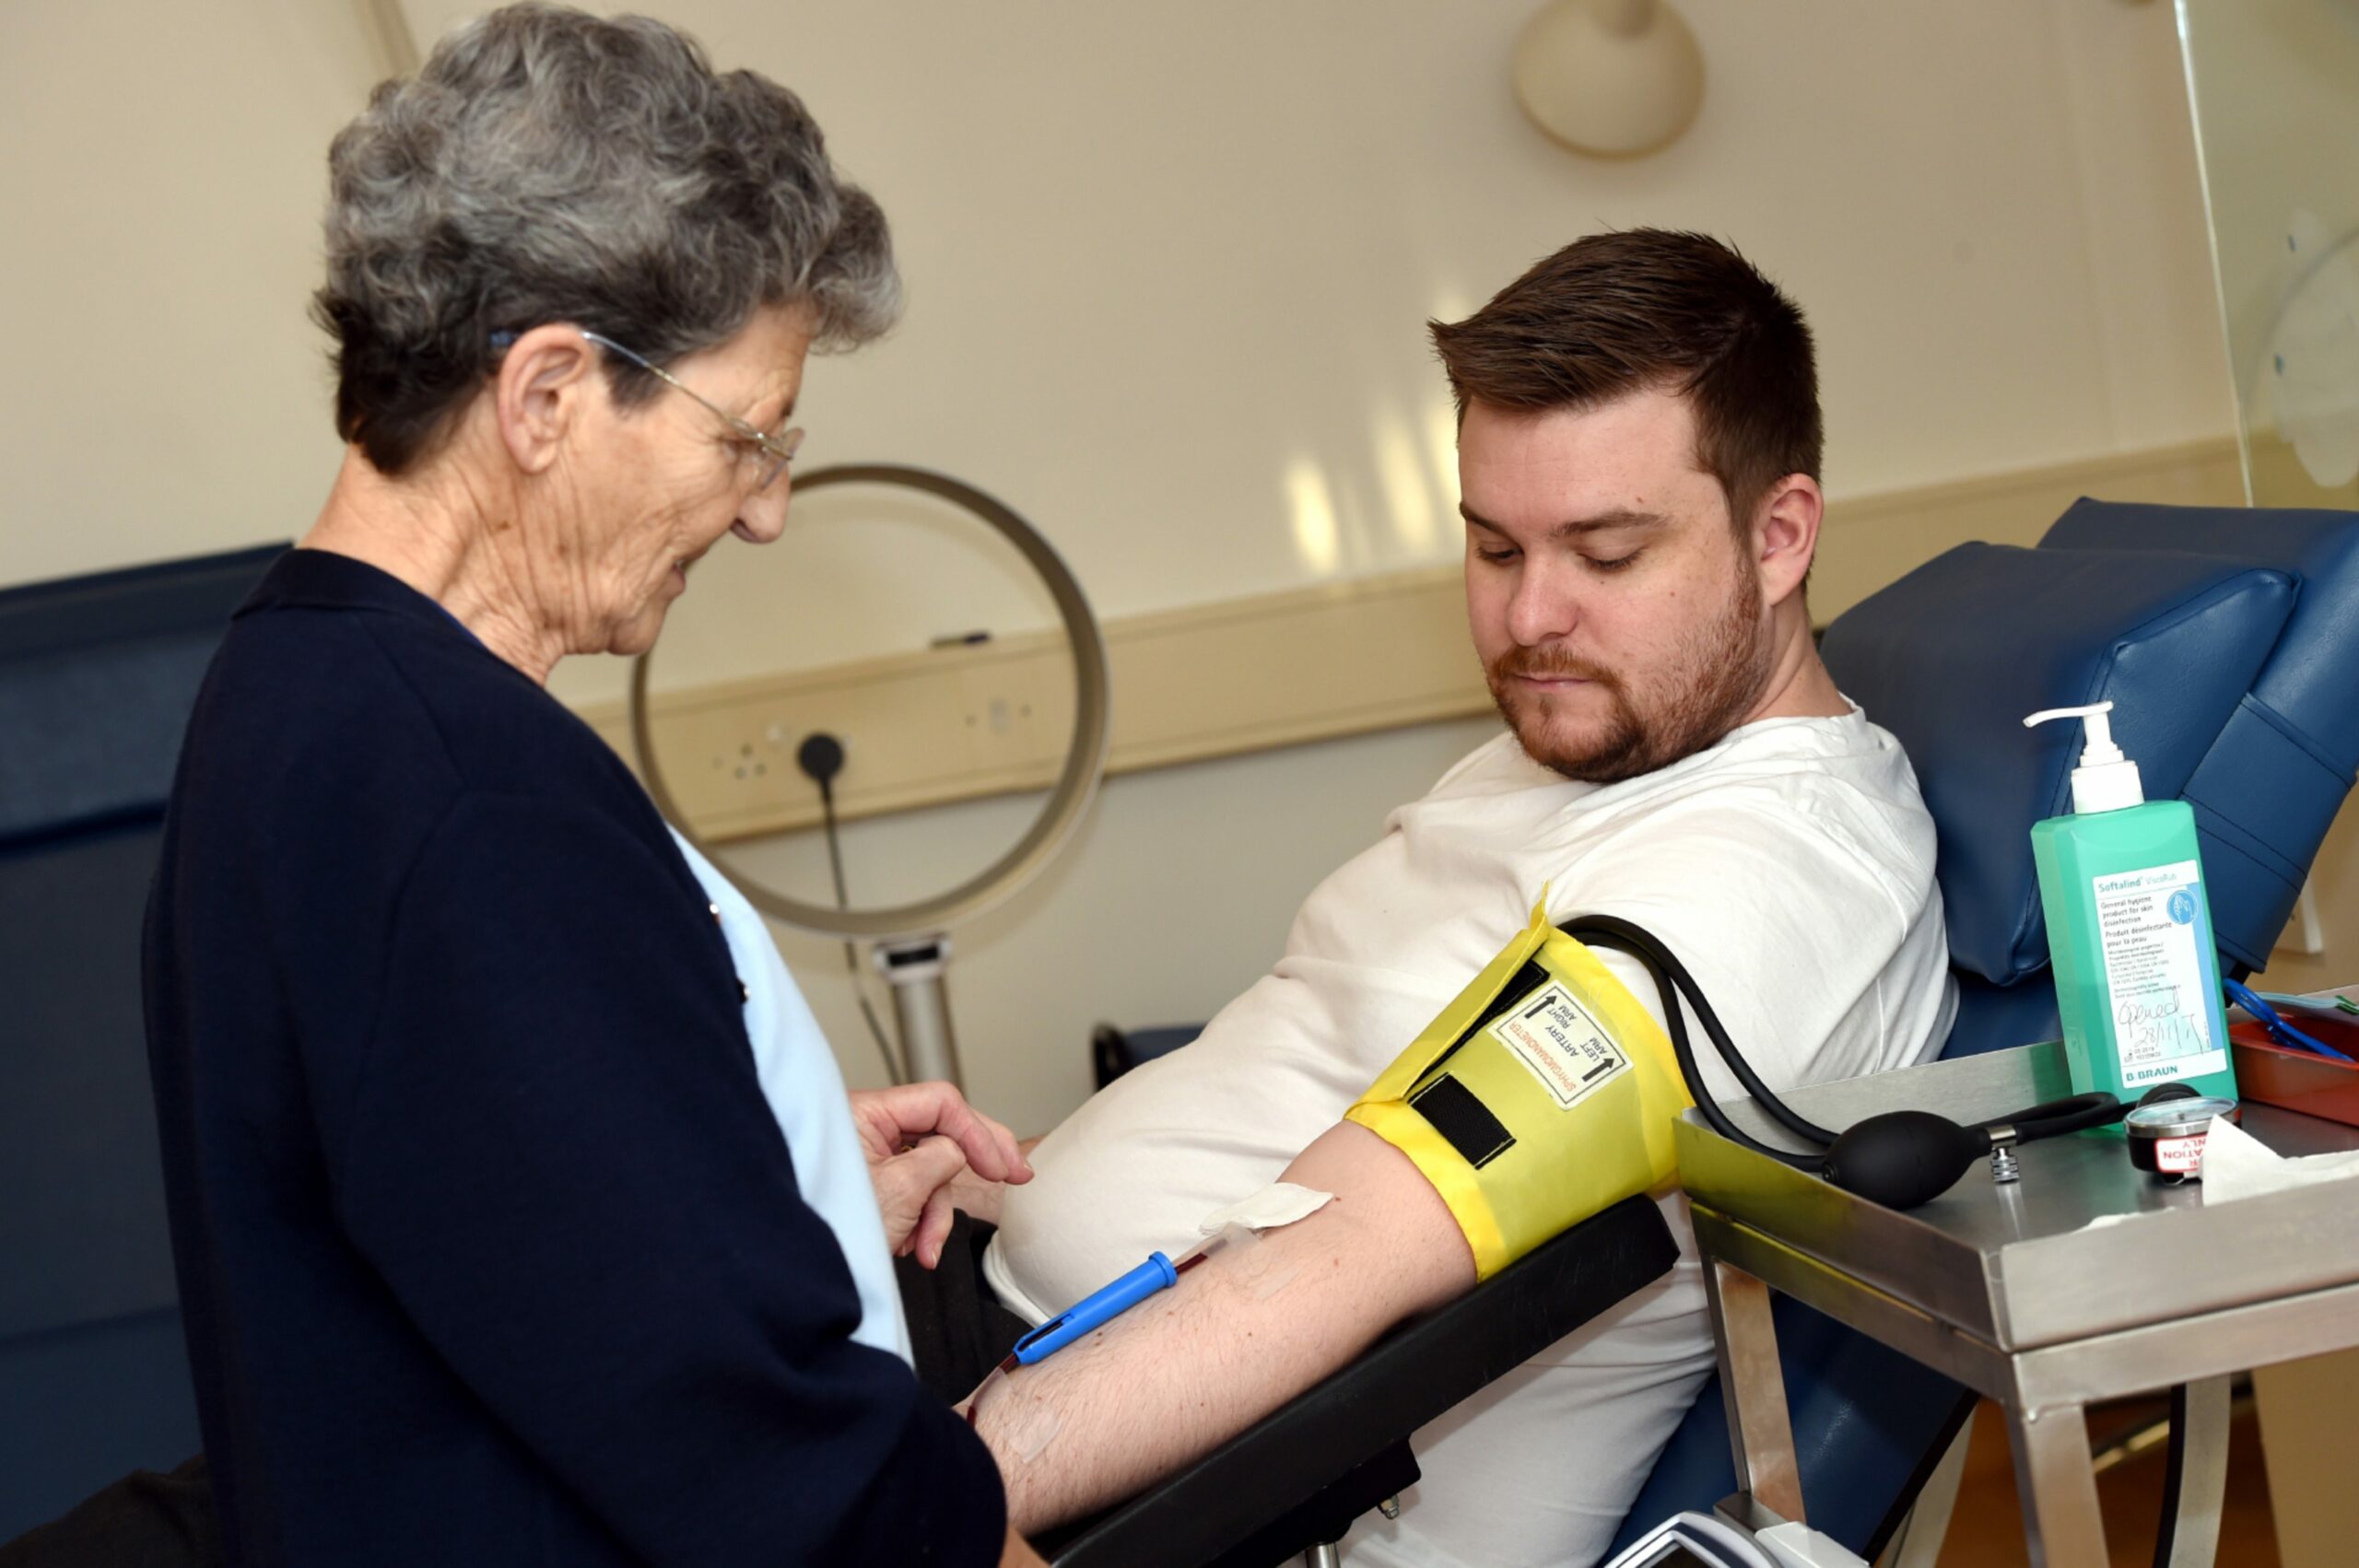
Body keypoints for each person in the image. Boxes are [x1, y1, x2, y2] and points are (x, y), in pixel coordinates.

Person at [137, 7, 1041, 1564]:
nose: (763, 513)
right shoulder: (465, 796)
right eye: (745, 438)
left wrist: (747, 1171)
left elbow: (481, 1238)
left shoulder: (288, 700)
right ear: (549, 392)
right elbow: (779, 1486)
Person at [955, 229, 1958, 1566]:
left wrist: (907, 1491)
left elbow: (1341, 1253)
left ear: (1779, 536)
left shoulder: (1761, 877)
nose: (1532, 614)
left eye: (1606, 553)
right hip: (1013, 1365)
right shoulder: (1592, 736)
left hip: (1155, 1507)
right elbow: (1280, 1088)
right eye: (1495, 547)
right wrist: (970, 1196)